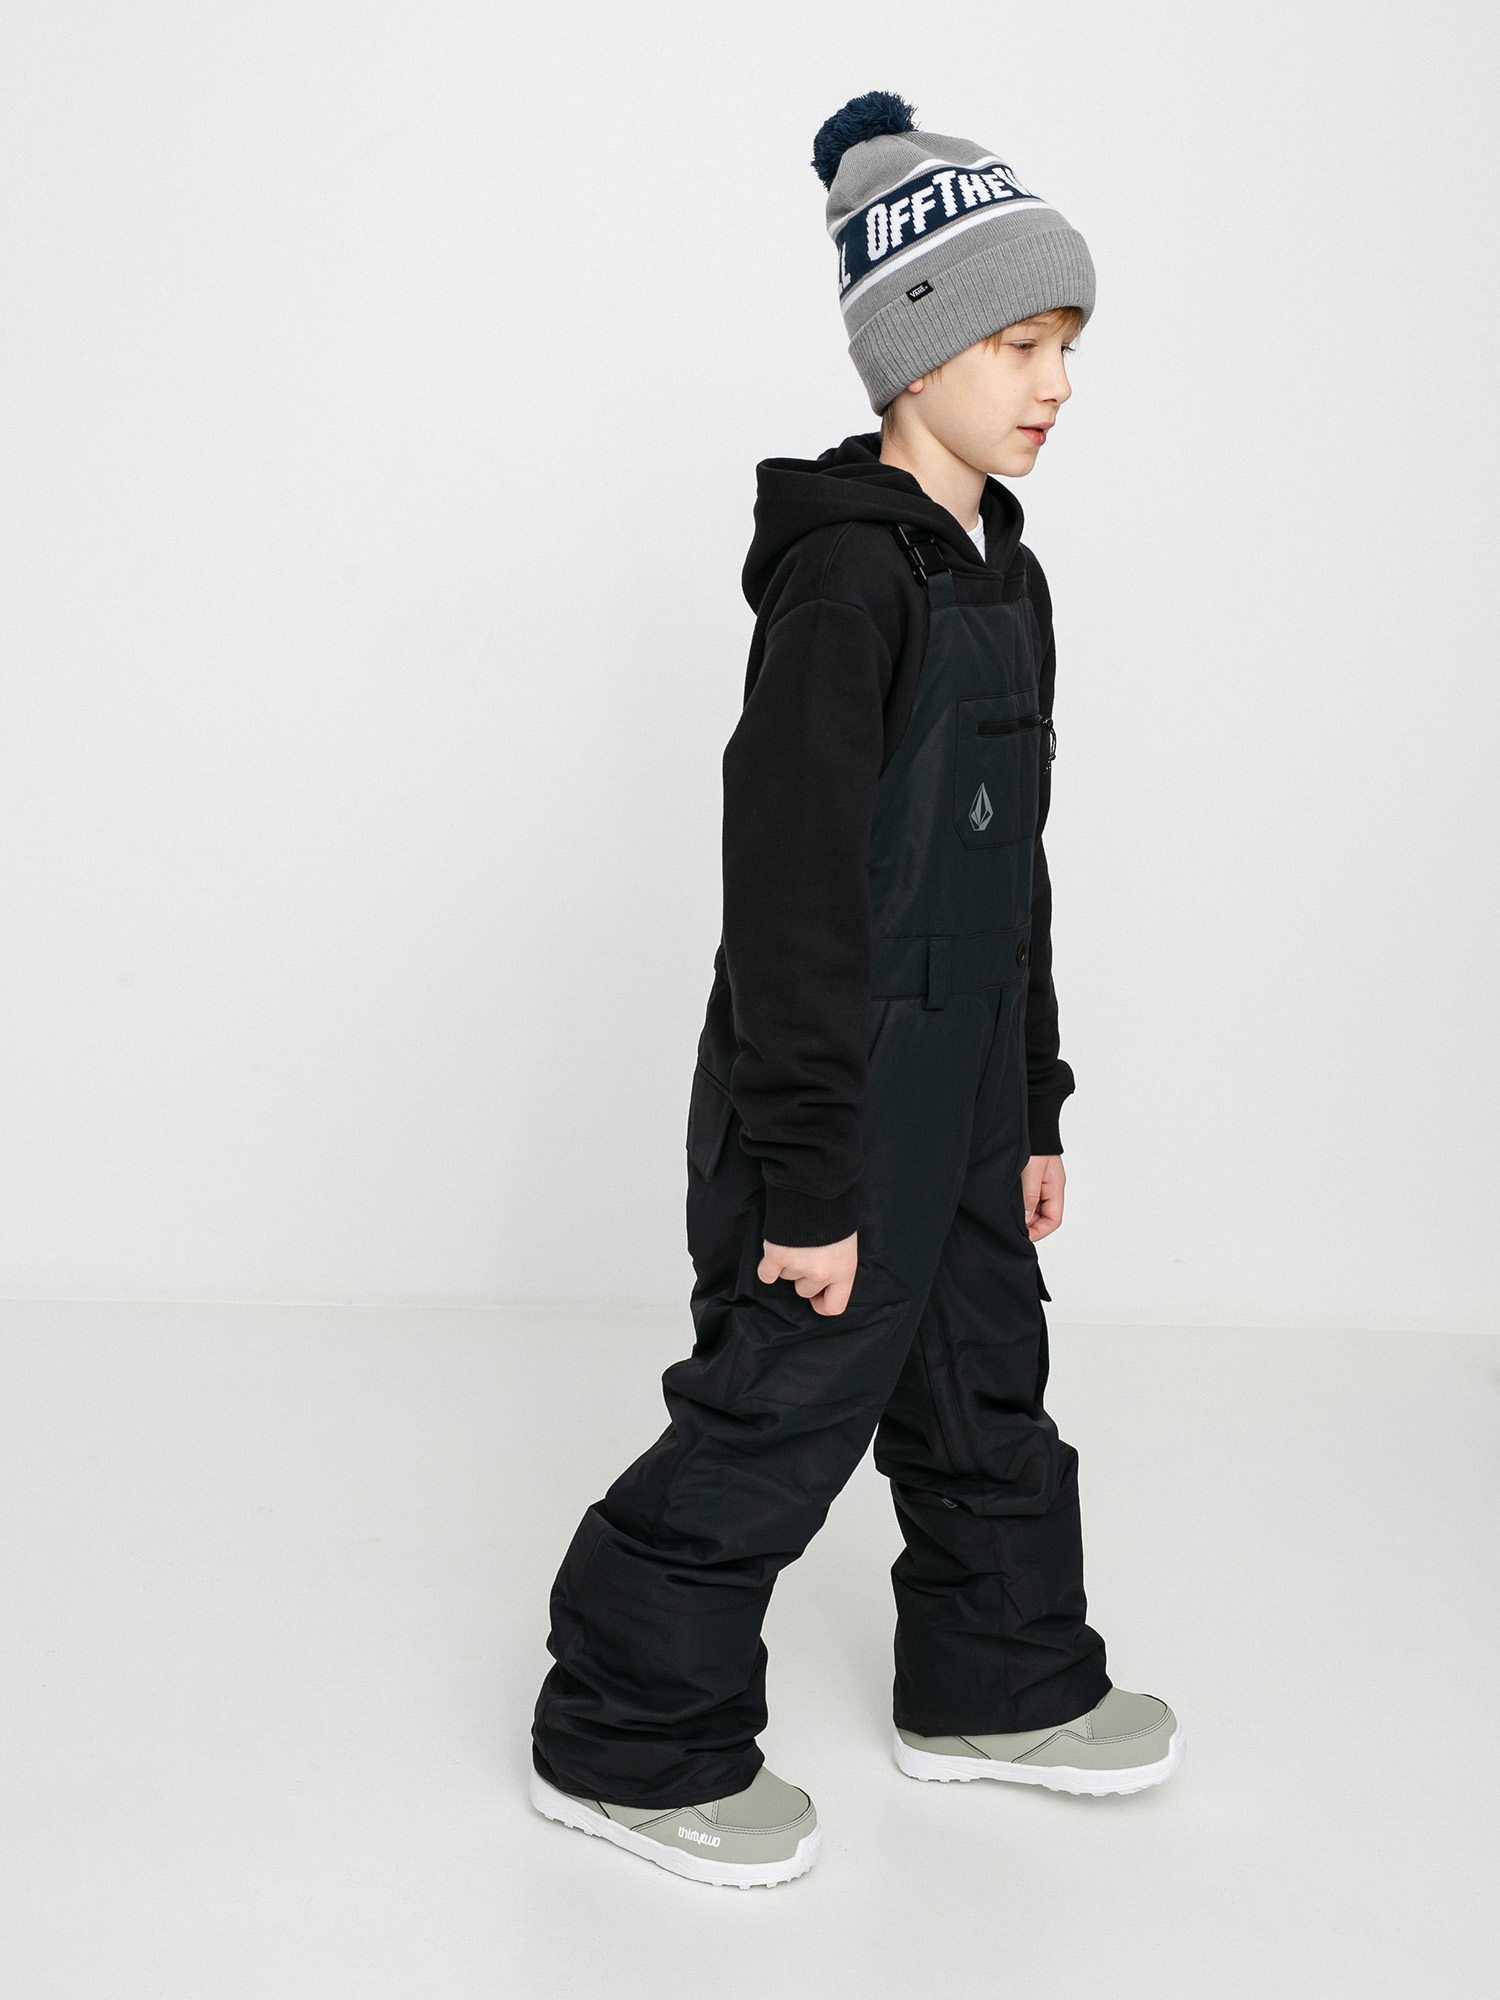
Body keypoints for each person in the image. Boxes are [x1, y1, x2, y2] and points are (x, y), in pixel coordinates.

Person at [529, 91, 1183, 1889]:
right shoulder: (841, 587)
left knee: (983, 1377)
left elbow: (1013, 870)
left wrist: (1030, 1104)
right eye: (1017, 344)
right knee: (787, 1398)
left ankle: (996, 1684)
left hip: (962, 1085)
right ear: (913, 351)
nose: (1056, 384)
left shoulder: (1004, 575)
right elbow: (793, 904)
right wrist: (813, 1177)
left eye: (1068, 345)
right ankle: (625, 1741)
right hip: (835, 1078)